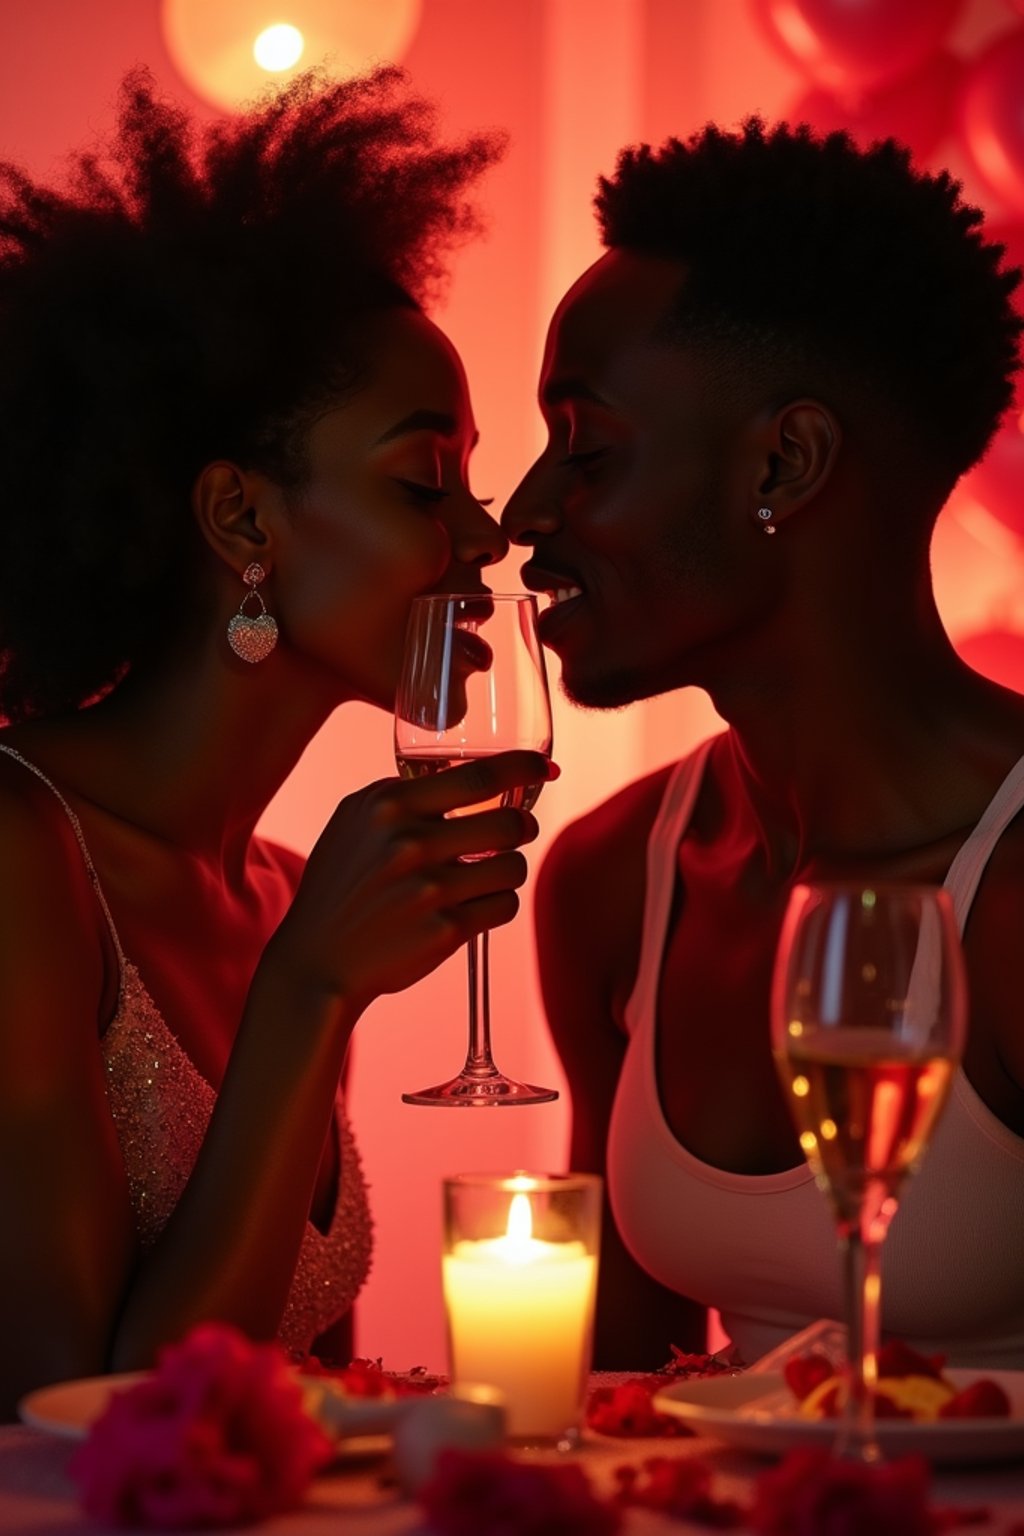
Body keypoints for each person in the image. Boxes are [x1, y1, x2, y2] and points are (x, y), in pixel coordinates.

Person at [0, 65, 549, 1418]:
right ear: (240, 521)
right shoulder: (24, 858)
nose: (485, 541)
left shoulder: (285, 888)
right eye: (427, 480)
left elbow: (305, 1402)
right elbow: (78, 1434)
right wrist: (308, 994)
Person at [502, 118, 1024, 1371]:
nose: (521, 513)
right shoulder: (608, 880)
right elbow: (624, 1400)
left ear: (785, 463)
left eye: (584, 449)